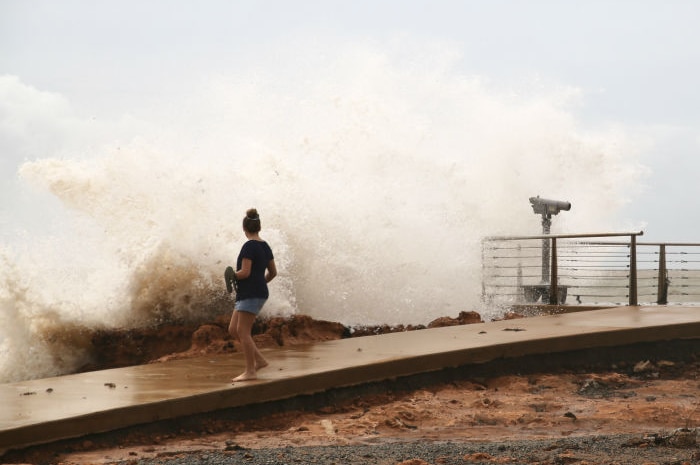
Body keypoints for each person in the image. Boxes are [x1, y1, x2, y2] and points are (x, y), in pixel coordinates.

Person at [227, 208, 277, 382]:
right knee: (234, 329)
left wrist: (233, 275)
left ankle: (250, 371)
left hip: (250, 292)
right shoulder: (265, 246)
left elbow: (245, 272)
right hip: (256, 292)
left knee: (243, 331)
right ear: (259, 227)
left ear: (244, 228)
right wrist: (261, 282)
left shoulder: (249, 246)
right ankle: (260, 361)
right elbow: (273, 272)